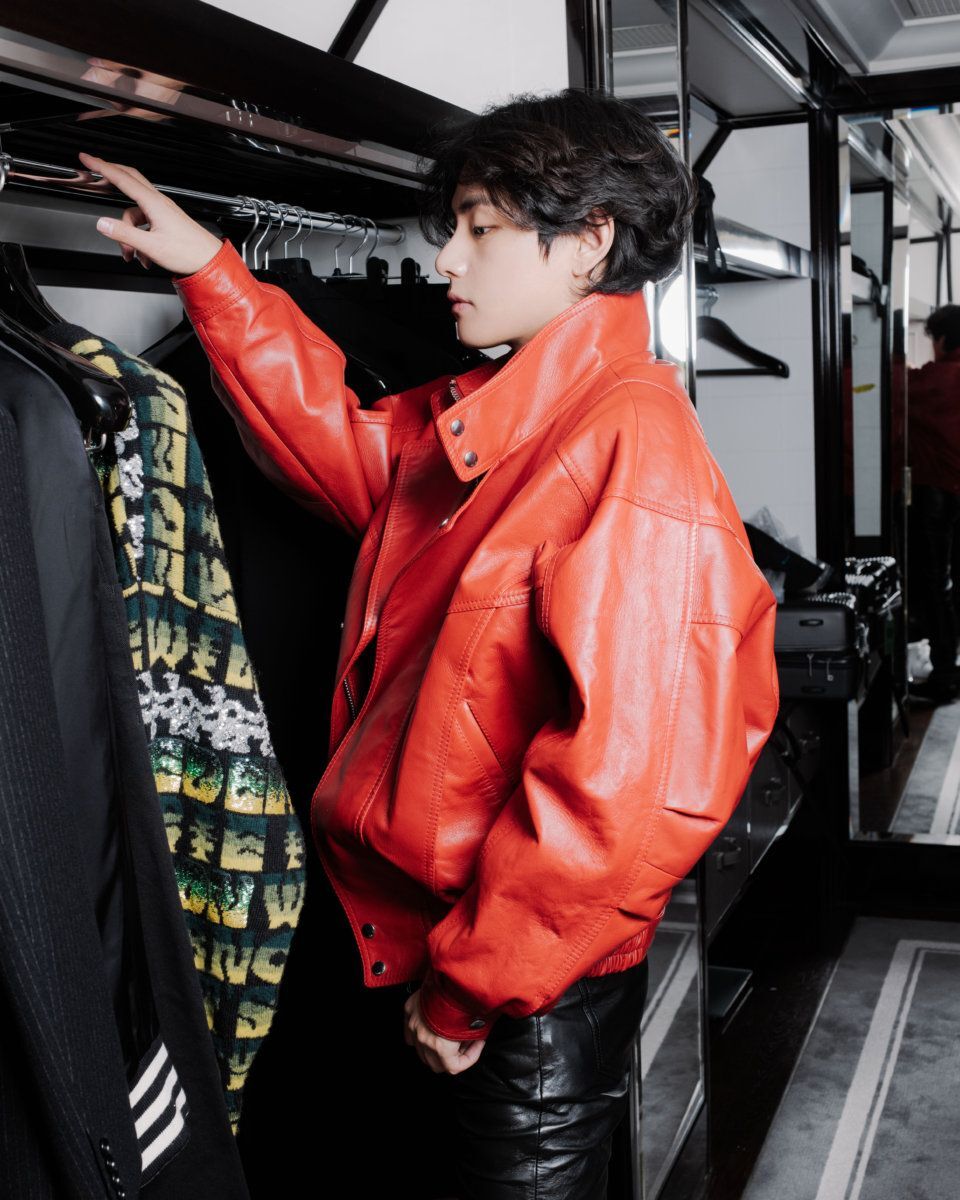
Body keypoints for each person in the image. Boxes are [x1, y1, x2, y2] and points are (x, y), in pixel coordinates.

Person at [79, 87, 779, 1199]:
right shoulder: (512, 415)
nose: (447, 258)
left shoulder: (630, 445)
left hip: (513, 996)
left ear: (588, 242)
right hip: (436, 955)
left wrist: (466, 992)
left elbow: (629, 793)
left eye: (480, 228)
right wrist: (211, 269)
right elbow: (346, 452)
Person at [907, 304, 960, 703]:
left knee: (936, 583)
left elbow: (893, 387)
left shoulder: (936, 380)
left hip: (940, 495)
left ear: (941, 340)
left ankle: (945, 676)